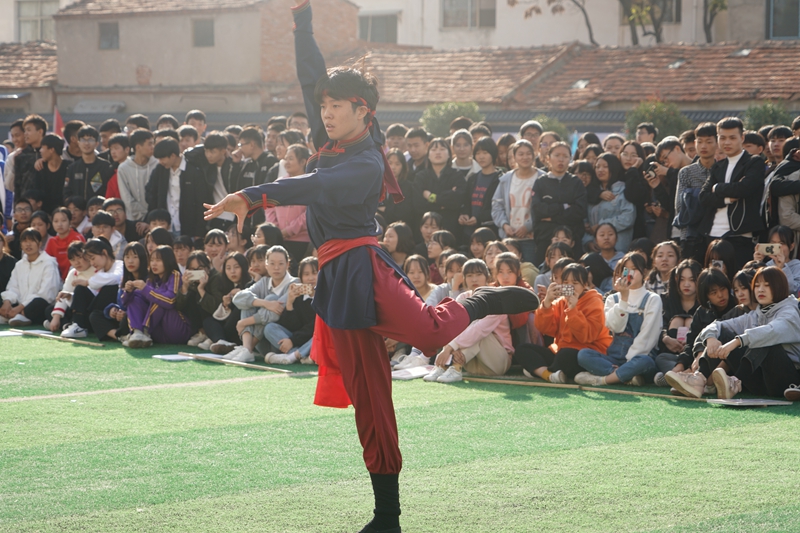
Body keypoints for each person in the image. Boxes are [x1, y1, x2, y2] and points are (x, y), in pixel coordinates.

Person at [202, 3, 538, 531]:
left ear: (363, 111)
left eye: (337, 105)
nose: (326, 111)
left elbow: (311, 187)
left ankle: (482, 300)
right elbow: (311, 72)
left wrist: (252, 195)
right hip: (335, 278)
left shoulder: (365, 161)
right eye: (324, 106)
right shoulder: (331, 139)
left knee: (428, 335)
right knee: (369, 398)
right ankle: (387, 517)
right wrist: (303, 19)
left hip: (363, 265)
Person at [686, 266, 800, 399]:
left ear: (779, 287)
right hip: (760, 382)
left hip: (787, 381)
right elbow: (718, 324)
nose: (760, 289)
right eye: (757, 286)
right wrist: (710, 338)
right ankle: (699, 379)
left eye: (767, 285)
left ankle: (734, 382)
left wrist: (738, 341)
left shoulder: (791, 312)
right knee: (724, 332)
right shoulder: (755, 315)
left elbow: (771, 331)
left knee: (764, 341)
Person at [575, 252, 662, 386]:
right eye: (625, 270)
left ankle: (603, 379)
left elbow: (648, 337)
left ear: (644, 272)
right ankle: (626, 376)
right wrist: (624, 299)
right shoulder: (612, 298)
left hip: (640, 357)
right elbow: (615, 327)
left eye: (634, 269)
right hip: (614, 358)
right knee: (583, 355)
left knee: (644, 362)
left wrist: (629, 362)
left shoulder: (652, 299)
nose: (629, 273)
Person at [516, 263, 611, 383]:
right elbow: (545, 329)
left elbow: (586, 336)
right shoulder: (561, 301)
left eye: (575, 283)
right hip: (560, 350)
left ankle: (539, 371)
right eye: (566, 282)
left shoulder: (595, 302)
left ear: (585, 285)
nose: (570, 286)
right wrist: (547, 303)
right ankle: (548, 375)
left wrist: (573, 310)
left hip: (587, 353)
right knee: (522, 349)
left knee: (565, 355)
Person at [424, 259, 516, 383]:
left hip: (497, 362)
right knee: (457, 323)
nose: (474, 279)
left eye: (478, 275)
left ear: (487, 277)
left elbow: (480, 330)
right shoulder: (463, 297)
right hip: (471, 363)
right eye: (469, 275)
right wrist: (451, 347)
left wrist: (449, 348)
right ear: (464, 278)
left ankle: (451, 366)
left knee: (475, 325)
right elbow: (452, 324)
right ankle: (444, 366)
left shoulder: (496, 299)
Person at [698, 117, 765, 271]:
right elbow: (704, 197)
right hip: (712, 235)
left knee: (739, 281)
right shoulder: (718, 166)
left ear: (742, 138)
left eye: (732, 138)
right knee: (716, 280)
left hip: (740, 235)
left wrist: (718, 188)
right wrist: (728, 198)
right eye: (722, 138)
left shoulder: (753, 162)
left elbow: (744, 188)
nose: (727, 142)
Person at [656, 267, 734, 390]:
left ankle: (691, 379)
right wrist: (680, 365)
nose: (720, 295)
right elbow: (691, 343)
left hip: (723, 361)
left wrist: (700, 356)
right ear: (706, 296)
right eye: (714, 293)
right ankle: (679, 375)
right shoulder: (702, 312)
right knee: (662, 357)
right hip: (697, 360)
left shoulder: (736, 309)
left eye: (723, 289)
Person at [229, 245, 297, 362]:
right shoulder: (264, 282)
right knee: (249, 303)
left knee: (271, 299)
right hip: (262, 344)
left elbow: (275, 314)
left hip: (280, 340)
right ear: (266, 265)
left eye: (281, 264)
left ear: (287, 265)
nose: (276, 267)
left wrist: (244, 322)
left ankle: (247, 349)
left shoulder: (295, 283)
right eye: (272, 263)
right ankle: (247, 349)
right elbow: (238, 298)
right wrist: (264, 303)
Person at [124, 245, 192, 348]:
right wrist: (128, 292)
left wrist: (145, 288)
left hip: (177, 330)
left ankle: (144, 332)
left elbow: (170, 301)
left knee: (158, 298)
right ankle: (137, 333)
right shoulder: (151, 280)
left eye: (158, 260)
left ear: (168, 261)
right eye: (152, 260)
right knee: (135, 297)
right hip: (158, 333)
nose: (154, 264)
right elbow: (125, 303)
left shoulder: (175, 275)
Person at [531, 142, 587, 265]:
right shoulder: (541, 183)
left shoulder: (575, 182)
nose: (561, 159)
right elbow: (537, 209)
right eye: (557, 155)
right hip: (545, 239)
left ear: (570, 159)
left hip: (572, 240)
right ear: (548, 158)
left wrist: (552, 217)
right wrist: (563, 207)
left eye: (565, 156)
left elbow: (579, 211)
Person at [60, 237, 124, 338]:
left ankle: (77, 325)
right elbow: (92, 296)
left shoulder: (119, 265)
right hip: (97, 312)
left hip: (114, 312)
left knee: (110, 288)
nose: (92, 263)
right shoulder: (100, 272)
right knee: (80, 289)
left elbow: (117, 278)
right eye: (89, 260)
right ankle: (78, 325)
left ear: (104, 253)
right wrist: (70, 296)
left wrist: (87, 282)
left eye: (93, 258)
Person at [492, 140, 543, 262]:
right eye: (520, 154)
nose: (525, 157)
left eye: (528, 153)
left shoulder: (542, 178)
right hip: (510, 238)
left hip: (533, 239)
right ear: (514, 157)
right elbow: (496, 205)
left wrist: (528, 226)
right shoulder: (506, 179)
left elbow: (545, 208)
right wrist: (504, 225)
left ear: (534, 154)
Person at [263, 256, 319, 364]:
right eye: (306, 274)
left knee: (321, 334)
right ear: (301, 277)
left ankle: (293, 356)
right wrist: (289, 303)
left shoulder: (326, 297)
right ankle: (300, 355)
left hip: (312, 339)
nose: (311, 278)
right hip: (298, 340)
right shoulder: (298, 296)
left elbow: (315, 326)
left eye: (314, 273)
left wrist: (293, 341)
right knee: (269, 328)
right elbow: (292, 326)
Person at [88, 241, 147, 342]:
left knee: (127, 317)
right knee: (95, 315)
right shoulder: (124, 279)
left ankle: (128, 335)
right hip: (124, 319)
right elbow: (121, 303)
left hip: (141, 318)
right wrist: (113, 310)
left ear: (142, 258)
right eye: (127, 257)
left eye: (135, 257)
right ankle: (121, 337)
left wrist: (126, 312)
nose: (130, 261)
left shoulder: (148, 279)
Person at [0, 228, 60, 326]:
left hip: (37, 306)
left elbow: (47, 294)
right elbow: (13, 286)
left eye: (32, 241)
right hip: (20, 304)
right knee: (5, 297)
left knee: (38, 303)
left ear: (40, 243)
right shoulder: (19, 264)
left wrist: (20, 308)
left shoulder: (49, 263)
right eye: (25, 241)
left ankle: (22, 315)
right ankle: (15, 314)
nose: (28, 244)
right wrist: (7, 302)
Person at [265, 144, 312, 265]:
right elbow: (269, 206)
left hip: (301, 241)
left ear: (303, 162)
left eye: (291, 158)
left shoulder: (309, 184)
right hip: (278, 239)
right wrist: (274, 229)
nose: (286, 162)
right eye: (286, 158)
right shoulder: (280, 183)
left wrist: (288, 230)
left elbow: (309, 214)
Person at [413, 138, 465, 236]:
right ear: (428, 155)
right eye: (433, 149)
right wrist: (445, 202)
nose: (438, 152)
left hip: (451, 228)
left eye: (442, 149)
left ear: (449, 154)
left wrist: (431, 197)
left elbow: (457, 201)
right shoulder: (420, 177)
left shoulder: (457, 175)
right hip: (425, 231)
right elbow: (418, 205)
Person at [586, 153, 635, 253]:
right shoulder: (592, 193)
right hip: (596, 250)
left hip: (619, 249)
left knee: (624, 269)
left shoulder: (623, 190)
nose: (600, 170)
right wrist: (587, 241)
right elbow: (585, 220)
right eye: (597, 167)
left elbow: (628, 218)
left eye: (605, 166)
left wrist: (601, 226)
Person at [206, 252, 252, 354]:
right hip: (226, 325)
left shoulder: (250, 284)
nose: (232, 271)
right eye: (228, 268)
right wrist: (225, 305)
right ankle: (221, 341)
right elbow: (219, 315)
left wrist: (239, 295)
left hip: (240, 329)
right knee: (208, 320)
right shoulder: (224, 285)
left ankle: (222, 341)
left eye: (236, 267)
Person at [177, 251, 224, 348]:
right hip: (198, 321)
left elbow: (216, 307)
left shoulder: (216, 278)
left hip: (216, 319)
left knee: (199, 296)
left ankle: (209, 335)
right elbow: (178, 306)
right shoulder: (191, 281)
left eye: (200, 269)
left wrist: (202, 289)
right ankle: (201, 332)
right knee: (190, 296)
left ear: (208, 267)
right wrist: (185, 286)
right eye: (193, 269)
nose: (197, 272)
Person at [44, 241, 94, 333]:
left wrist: (71, 295)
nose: (76, 262)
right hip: (73, 308)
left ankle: (72, 325)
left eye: (79, 257)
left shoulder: (96, 270)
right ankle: (66, 325)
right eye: (72, 259)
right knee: (50, 310)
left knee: (80, 289)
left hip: (89, 309)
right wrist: (56, 317)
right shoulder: (73, 273)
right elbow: (64, 293)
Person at [459, 137, 501, 242]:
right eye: (478, 153)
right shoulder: (473, 178)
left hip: (490, 232)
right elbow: (466, 202)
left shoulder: (500, 179)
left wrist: (478, 218)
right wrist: (464, 214)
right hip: (470, 233)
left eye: (485, 152)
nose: (481, 157)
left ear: (493, 153)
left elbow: (499, 207)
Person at [63, 126, 114, 201]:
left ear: (96, 143)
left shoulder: (105, 166)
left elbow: (109, 191)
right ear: (78, 143)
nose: (86, 143)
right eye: (83, 140)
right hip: (77, 211)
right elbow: (66, 192)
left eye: (90, 140)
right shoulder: (72, 168)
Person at [31, 133, 70, 215]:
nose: (40, 151)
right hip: (44, 214)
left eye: (42, 147)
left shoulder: (69, 167)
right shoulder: (40, 167)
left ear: (52, 149)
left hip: (64, 213)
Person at [45, 207, 86, 279]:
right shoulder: (52, 241)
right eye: (56, 221)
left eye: (63, 221)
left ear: (70, 222)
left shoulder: (77, 238)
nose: (59, 224)